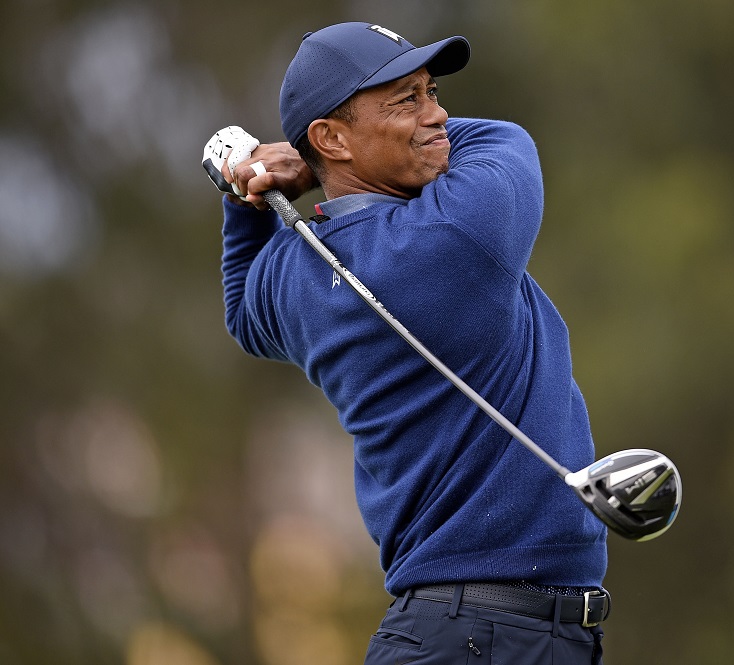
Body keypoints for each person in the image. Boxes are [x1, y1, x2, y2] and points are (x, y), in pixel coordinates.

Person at [206, 21, 609, 664]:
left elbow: (241, 311)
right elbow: (506, 139)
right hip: (488, 639)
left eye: (430, 91)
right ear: (332, 137)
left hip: (459, 632)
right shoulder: (460, 230)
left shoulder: (290, 276)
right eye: (406, 101)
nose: (438, 115)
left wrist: (253, 193)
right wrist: (300, 164)